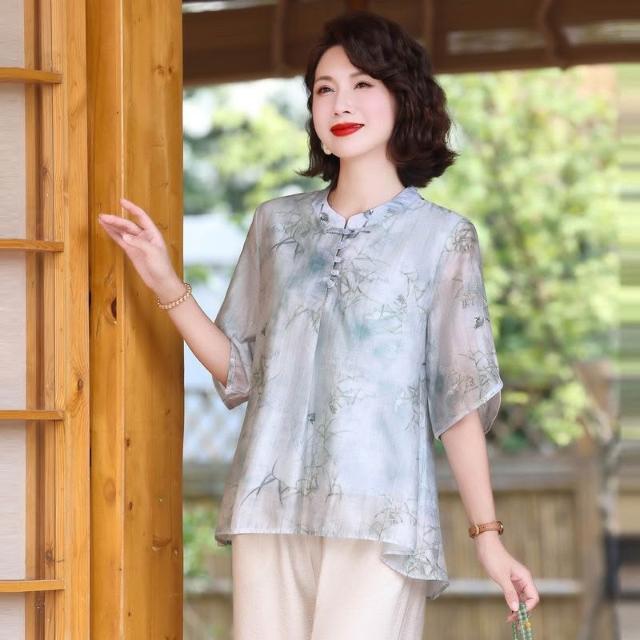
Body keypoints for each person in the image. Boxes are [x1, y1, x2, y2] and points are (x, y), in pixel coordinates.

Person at [98, 9, 540, 640]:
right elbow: (241, 370)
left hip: (379, 515)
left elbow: (458, 399)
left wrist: (488, 538)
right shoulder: (276, 226)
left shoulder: (442, 239)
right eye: (324, 89)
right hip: (268, 505)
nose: (340, 103)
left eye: (363, 84)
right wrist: (165, 282)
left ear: (403, 99)